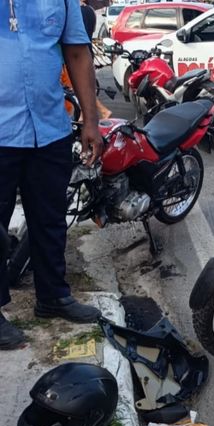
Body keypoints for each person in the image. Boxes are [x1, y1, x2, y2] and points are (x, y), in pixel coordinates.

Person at [0, 0, 104, 350]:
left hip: (49, 128)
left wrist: (91, 120)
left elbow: (76, 52)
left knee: (50, 218)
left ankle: (53, 296)